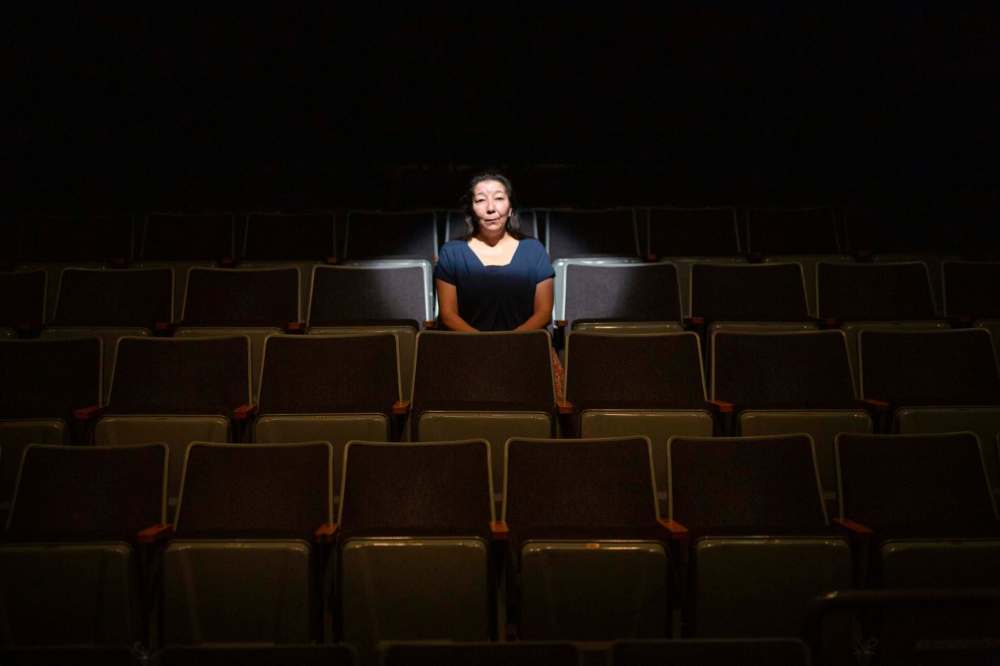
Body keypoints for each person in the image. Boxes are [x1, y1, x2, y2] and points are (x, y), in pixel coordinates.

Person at [435, 172, 554, 332]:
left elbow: (544, 313)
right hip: (468, 347)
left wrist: (510, 342)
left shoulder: (534, 250)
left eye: (499, 198)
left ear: (511, 209)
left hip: (524, 345)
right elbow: (448, 315)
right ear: (471, 210)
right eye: (481, 200)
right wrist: (486, 343)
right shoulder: (452, 253)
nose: (491, 208)